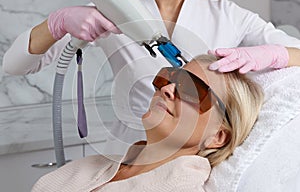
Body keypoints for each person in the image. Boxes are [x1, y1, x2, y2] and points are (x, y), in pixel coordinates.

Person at [3, 0, 300, 144]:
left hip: (198, 159)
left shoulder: (229, 15)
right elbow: (15, 65)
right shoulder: (116, 7)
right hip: (127, 150)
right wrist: (56, 24)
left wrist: (274, 54)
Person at [31, 55, 264, 192]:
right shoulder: (88, 167)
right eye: (169, 78)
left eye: (193, 90)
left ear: (218, 137)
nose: (167, 89)